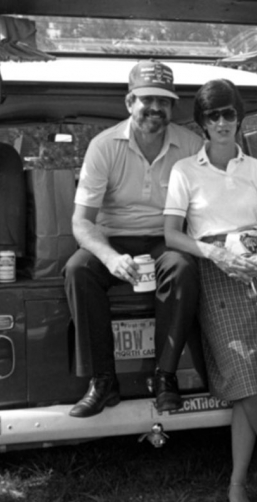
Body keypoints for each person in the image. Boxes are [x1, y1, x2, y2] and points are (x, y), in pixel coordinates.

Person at [163, 79, 257, 502]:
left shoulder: (256, 170)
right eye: (213, 116)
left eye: (229, 114)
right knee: (244, 372)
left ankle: (237, 483)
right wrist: (213, 252)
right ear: (201, 123)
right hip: (215, 278)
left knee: (247, 388)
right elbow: (172, 233)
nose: (222, 123)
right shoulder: (184, 171)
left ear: (239, 119)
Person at [65, 60, 203, 417]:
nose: (155, 108)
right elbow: (81, 223)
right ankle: (103, 381)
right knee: (78, 270)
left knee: (183, 269)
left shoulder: (191, 145)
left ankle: (165, 378)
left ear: (173, 107)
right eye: (147, 99)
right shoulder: (103, 146)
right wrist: (110, 258)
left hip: (166, 238)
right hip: (113, 239)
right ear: (130, 103)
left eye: (165, 101)